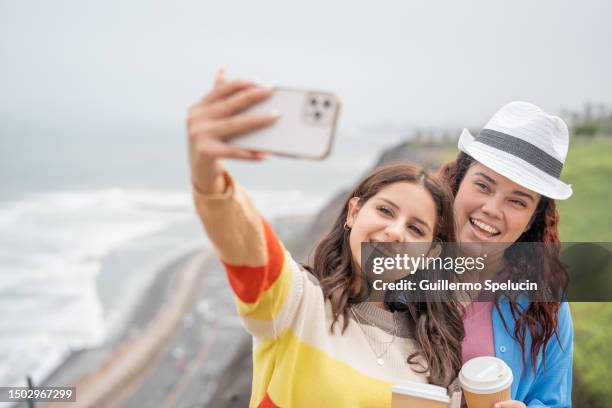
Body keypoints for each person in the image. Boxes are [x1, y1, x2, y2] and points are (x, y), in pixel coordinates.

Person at [187, 69, 464, 407]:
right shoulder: (297, 302)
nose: (395, 232)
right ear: (353, 213)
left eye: (416, 229)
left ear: (430, 253)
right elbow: (250, 246)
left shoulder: (436, 356)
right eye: (386, 211)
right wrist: (209, 175)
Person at [439, 102, 574, 408]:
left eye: (517, 201)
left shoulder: (545, 304)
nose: (492, 209)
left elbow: (555, 401)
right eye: (483, 186)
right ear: (458, 183)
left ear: (532, 220)